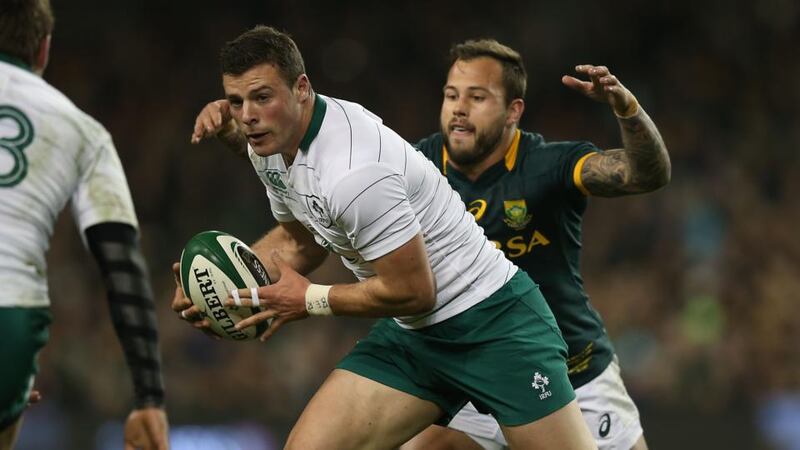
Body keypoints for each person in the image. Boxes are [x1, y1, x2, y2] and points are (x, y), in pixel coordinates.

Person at [177, 25, 597, 449]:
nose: (247, 115)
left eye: (262, 97)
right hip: (415, 337)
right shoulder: (270, 147)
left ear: (301, 88)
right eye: (236, 101)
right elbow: (300, 242)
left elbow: (414, 291)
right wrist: (222, 289)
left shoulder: (354, 171)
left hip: (494, 324)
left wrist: (309, 299)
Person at [400, 40, 670, 450]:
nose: (459, 108)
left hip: (573, 375)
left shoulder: (548, 165)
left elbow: (645, 174)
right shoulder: (415, 167)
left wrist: (627, 109)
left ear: (513, 111)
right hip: (479, 379)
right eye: (452, 95)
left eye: (477, 97)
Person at [0, 1, 169, 449]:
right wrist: (149, 396)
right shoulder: (83, 131)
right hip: (10, 315)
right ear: (43, 50)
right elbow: (121, 264)